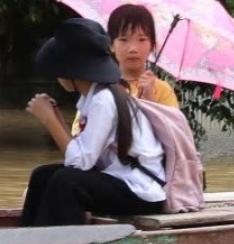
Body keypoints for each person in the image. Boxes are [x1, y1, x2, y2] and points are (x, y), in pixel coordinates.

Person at [21, 17, 166, 226]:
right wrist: (58, 119)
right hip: (119, 180)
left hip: (141, 191)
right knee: (43, 175)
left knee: (66, 181)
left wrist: (50, 121)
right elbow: (81, 154)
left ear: (71, 72)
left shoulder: (102, 101)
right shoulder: (94, 98)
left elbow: (80, 163)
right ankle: (30, 238)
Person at [106, 4, 180, 108]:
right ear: (111, 45)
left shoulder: (162, 90)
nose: (133, 49)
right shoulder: (102, 88)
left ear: (152, 45)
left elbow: (174, 124)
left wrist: (151, 102)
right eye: (124, 39)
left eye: (142, 39)